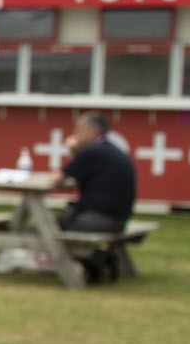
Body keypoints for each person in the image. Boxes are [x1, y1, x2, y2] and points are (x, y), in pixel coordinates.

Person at [57, 113, 136, 282]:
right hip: (119, 219)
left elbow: (58, 177)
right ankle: (98, 261)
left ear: (92, 131)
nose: (75, 135)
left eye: (79, 130)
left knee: (55, 225)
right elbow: (77, 169)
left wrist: (72, 149)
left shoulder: (93, 152)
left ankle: (97, 260)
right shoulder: (109, 149)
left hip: (101, 220)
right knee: (63, 219)